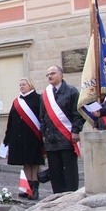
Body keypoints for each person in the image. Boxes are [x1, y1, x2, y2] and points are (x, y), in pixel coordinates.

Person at [40, 66, 84, 194]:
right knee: (55, 169)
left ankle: (71, 194)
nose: (50, 76)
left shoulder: (71, 91)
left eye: (53, 73)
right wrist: (44, 134)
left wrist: (76, 130)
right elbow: (42, 116)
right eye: (47, 74)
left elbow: (77, 114)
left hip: (67, 137)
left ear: (61, 75)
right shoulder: (45, 94)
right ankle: (58, 195)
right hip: (51, 138)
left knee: (69, 168)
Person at [4, 78, 44, 199]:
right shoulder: (17, 101)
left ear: (30, 85)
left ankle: (35, 188)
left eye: (24, 84)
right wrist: (7, 138)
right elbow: (11, 120)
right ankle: (28, 188)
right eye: (20, 84)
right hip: (19, 137)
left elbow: (42, 116)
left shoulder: (38, 98)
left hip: (33, 136)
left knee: (34, 162)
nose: (21, 86)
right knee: (26, 163)